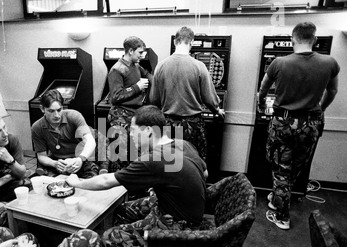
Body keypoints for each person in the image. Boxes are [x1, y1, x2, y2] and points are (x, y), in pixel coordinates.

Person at [67, 105, 209, 247]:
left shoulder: (155, 158)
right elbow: (205, 173)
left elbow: (105, 181)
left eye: (133, 131)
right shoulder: (182, 143)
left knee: (110, 238)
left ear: (149, 131)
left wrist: (75, 182)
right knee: (122, 210)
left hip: (180, 224)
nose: (131, 136)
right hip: (185, 210)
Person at [257, 22, 339, 230]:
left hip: (283, 122)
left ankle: (282, 216)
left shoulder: (279, 63)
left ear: (292, 39)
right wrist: (320, 108)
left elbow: (263, 91)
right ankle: (279, 196)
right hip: (311, 124)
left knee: (281, 169)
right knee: (296, 168)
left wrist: (260, 105)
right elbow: (333, 91)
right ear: (315, 40)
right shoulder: (330, 62)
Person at [150, 26, 225, 161]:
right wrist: (217, 110)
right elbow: (209, 99)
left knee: (170, 164)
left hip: (168, 123)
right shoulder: (199, 66)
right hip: (193, 124)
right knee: (195, 163)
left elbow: (154, 99)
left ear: (175, 42)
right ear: (191, 42)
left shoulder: (160, 66)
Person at [31, 89, 105, 178]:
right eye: (51, 111)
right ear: (42, 109)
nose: (57, 115)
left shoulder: (73, 116)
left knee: (91, 182)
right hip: (59, 162)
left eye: (59, 110)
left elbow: (90, 140)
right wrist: (54, 164)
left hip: (80, 158)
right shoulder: (37, 127)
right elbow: (41, 156)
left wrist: (80, 159)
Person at [107, 36, 153, 171]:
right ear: (131, 51)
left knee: (136, 154)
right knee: (121, 156)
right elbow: (115, 96)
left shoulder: (136, 66)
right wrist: (136, 87)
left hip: (134, 115)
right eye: (140, 52)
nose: (142, 56)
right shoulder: (117, 69)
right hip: (120, 116)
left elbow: (150, 76)